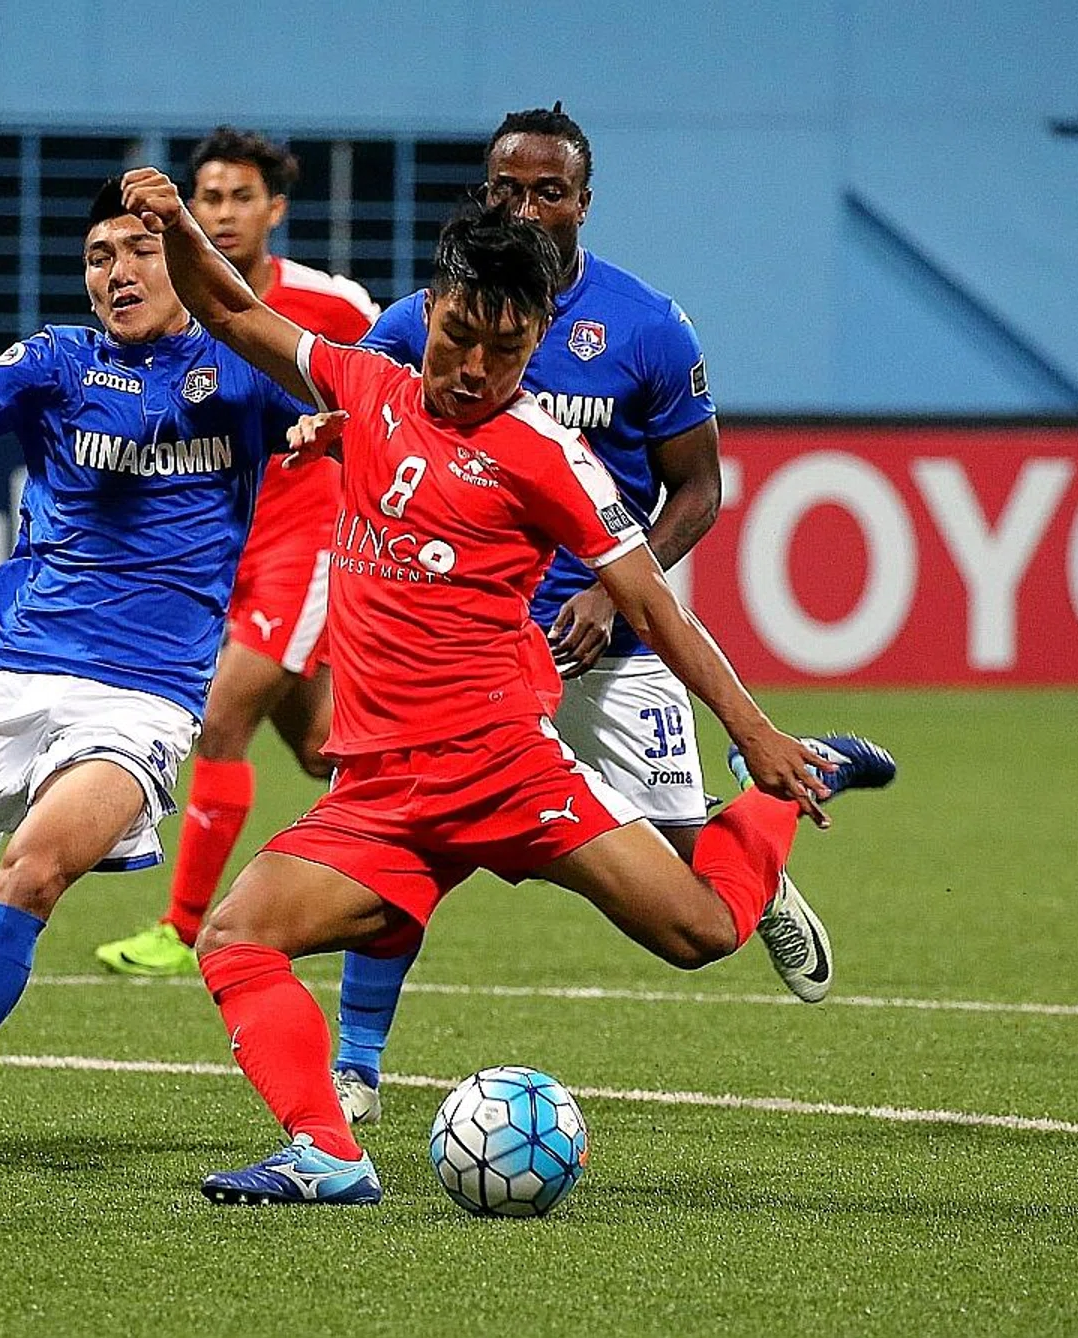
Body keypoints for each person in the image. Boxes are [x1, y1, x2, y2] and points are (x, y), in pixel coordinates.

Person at [116, 166, 895, 1205]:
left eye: (506, 349)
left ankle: (783, 794)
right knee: (236, 935)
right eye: (459, 339)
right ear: (429, 311)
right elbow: (224, 304)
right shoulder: (365, 384)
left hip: (504, 772)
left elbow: (656, 607)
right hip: (383, 793)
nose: (476, 368)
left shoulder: (548, 455)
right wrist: (171, 226)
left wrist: (753, 733)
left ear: (534, 346)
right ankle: (329, 1153)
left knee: (704, 934)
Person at [332, 104, 825, 1128]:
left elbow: (698, 491)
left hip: (610, 640)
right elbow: (369, 406)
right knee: (404, 841)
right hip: (470, 653)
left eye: (548, 190)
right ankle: (357, 1066)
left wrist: (608, 589)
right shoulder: (430, 315)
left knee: (686, 861)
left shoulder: (646, 325)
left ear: (583, 202)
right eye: (507, 189)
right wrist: (315, 430)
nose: (527, 206)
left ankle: (758, 868)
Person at [0, 179, 310, 1189]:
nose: (117, 271)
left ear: (180, 259)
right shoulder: (55, 358)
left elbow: (336, 403)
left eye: (138, 249)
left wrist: (315, 435)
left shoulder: (244, 366)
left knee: (31, 874)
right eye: (98, 255)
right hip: (9, 669)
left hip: (144, 693)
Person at [95, 127, 378, 979]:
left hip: (313, 540)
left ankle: (182, 930)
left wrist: (342, 438)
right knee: (328, 748)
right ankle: (421, 827)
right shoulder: (171, 299)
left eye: (239, 197)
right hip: (228, 543)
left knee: (220, 715)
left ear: (275, 210)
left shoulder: (334, 304)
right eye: (208, 196)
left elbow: (391, 384)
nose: (222, 213)